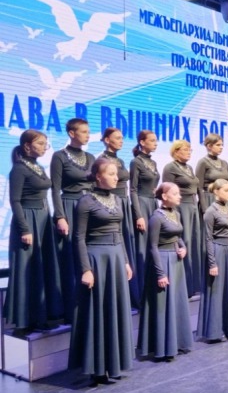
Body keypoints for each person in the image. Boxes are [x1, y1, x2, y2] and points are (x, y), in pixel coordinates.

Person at [69, 158, 134, 386]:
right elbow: (78, 238)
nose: (116, 178)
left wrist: (125, 261)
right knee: (97, 312)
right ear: (98, 176)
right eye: (111, 174)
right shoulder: (85, 201)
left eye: (116, 174)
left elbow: (120, 232)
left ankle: (113, 364)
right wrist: (86, 269)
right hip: (97, 259)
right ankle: (97, 369)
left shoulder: (117, 199)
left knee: (114, 310)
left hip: (115, 258)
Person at [5, 130, 63, 334]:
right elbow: (15, 201)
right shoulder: (19, 169)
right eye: (41, 143)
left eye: (46, 143)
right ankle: (24, 321)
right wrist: (24, 228)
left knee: (42, 267)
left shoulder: (37, 167)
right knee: (27, 270)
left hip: (43, 220)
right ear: (27, 146)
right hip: (28, 222)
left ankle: (41, 315)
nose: (45, 147)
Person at [138, 183, 193, 360]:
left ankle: (177, 343)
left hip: (176, 262)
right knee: (163, 306)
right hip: (162, 261)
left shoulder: (176, 214)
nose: (179, 196)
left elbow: (178, 237)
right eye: (175, 193)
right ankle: (162, 348)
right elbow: (152, 246)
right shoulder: (156, 217)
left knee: (176, 303)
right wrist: (160, 273)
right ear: (164, 196)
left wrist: (183, 248)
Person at [50, 118, 96, 323]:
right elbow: (55, 189)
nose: (88, 135)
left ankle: (90, 304)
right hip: (70, 206)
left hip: (89, 206)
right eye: (84, 131)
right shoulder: (59, 156)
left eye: (88, 132)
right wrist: (60, 216)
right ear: (71, 133)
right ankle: (72, 310)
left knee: (89, 252)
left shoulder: (91, 157)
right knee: (71, 256)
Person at [197, 179, 228, 343]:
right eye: (226, 190)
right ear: (216, 191)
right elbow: (208, 238)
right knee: (217, 291)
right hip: (217, 251)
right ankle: (214, 331)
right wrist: (212, 263)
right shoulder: (211, 211)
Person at [99, 127, 138, 308]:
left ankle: (129, 291)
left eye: (122, 137)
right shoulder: (102, 160)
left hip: (124, 202)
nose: (121, 140)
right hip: (112, 202)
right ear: (107, 140)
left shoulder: (120, 160)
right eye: (117, 138)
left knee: (126, 242)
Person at [162, 140, 203, 296]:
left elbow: (196, 187)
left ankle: (194, 284)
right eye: (186, 149)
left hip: (193, 207)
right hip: (181, 207)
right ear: (176, 151)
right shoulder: (170, 167)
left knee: (194, 242)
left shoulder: (189, 168)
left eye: (190, 150)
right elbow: (167, 191)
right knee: (184, 241)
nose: (189, 152)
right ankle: (183, 285)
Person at [129, 130, 160, 312]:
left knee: (153, 246)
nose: (156, 143)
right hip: (141, 203)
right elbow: (132, 190)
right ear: (142, 142)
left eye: (156, 140)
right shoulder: (136, 162)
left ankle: (152, 287)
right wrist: (138, 214)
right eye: (152, 140)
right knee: (142, 248)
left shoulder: (153, 162)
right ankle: (140, 294)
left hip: (153, 203)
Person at [196, 133, 228, 213]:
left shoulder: (224, 163)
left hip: (224, 199)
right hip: (209, 199)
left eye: (222, 145)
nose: (221, 147)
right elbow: (199, 187)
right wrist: (204, 208)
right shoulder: (203, 162)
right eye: (218, 145)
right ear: (209, 146)